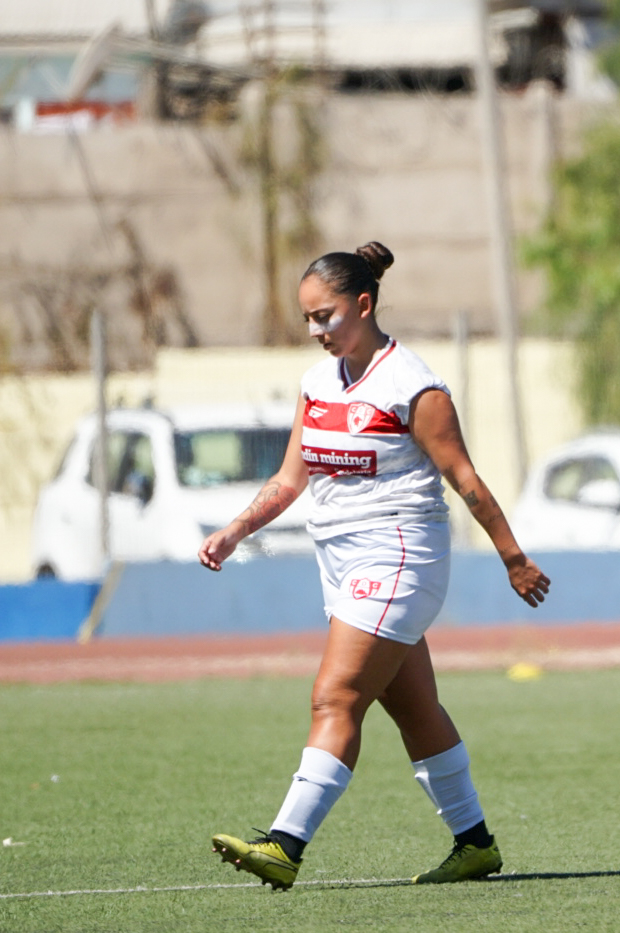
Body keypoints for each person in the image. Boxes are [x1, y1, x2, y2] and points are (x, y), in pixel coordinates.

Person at [199, 241, 550, 890]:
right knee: (415, 708)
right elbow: (288, 478)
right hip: (341, 563)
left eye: (325, 316)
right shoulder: (315, 384)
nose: (315, 331)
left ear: (364, 304)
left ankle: (284, 844)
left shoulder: (412, 384)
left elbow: (465, 478)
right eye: (307, 319)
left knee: (334, 695)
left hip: (400, 558)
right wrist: (235, 530)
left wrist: (513, 557)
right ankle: (474, 843)